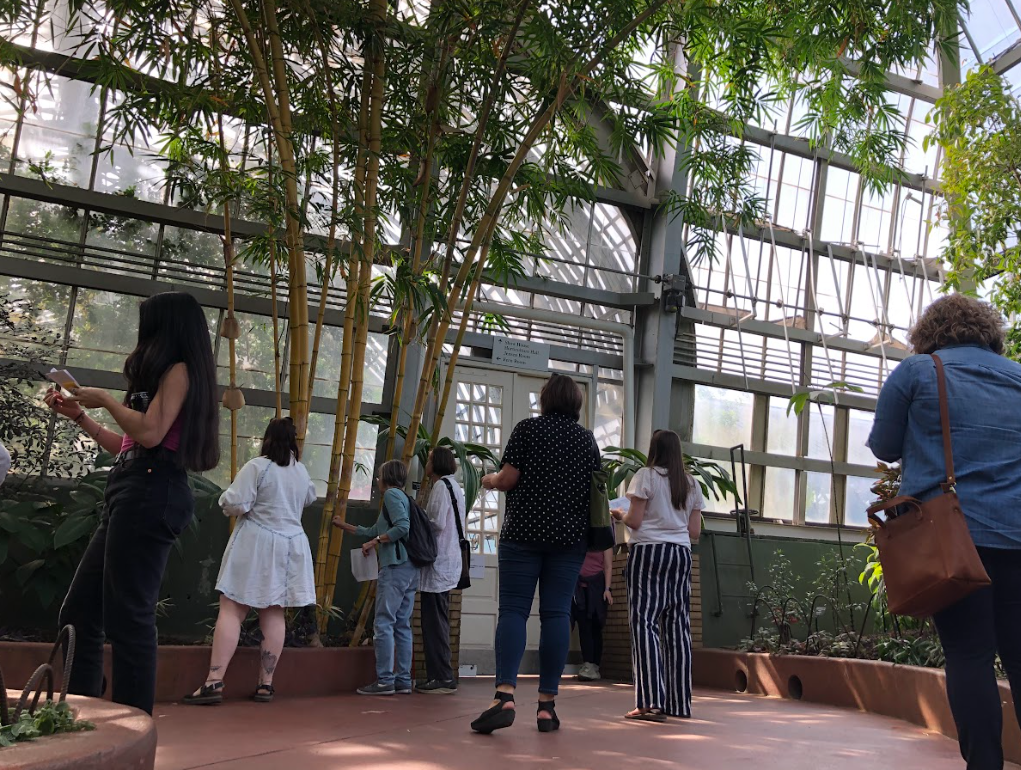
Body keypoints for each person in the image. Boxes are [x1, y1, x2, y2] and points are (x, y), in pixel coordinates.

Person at [44, 291, 219, 715]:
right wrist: (82, 417)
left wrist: (104, 399)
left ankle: (131, 721)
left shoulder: (180, 371)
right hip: (133, 485)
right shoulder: (157, 380)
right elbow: (126, 445)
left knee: (129, 617)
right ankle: (81, 707)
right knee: (81, 610)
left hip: (152, 491)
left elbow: (151, 434)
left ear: (166, 328)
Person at [868, 294, 1021, 770]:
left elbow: (886, 446)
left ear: (928, 331)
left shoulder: (917, 373)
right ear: (989, 331)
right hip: (1019, 536)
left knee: (969, 655)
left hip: (951, 541)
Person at [470, 373, 601, 734]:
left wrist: (490, 480)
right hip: (568, 539)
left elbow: (509, 479)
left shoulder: (527, 429)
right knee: (556, 614)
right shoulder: (586, 440)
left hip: (523, 534)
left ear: (545, 400)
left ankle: (505, 695)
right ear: (575, 403)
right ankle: (546, 706)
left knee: (513, 610)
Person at [183, 417, 317, 705]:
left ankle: (214, 682)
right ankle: (266, 685)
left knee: (232, 609)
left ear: (267, 439)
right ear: (295, 442)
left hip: (256, 542)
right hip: (291, 546)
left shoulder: (258, 467)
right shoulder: (302, 472)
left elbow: (233, 503)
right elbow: (309, 498)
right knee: (274, 612)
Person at [612, 429, 702, 723]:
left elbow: (635, 520)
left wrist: (619, 515)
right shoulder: (690, 483)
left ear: (654, 449)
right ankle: (679, 703)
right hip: (680, 555)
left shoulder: (645, 476)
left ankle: (650, 702)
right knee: (678, 626)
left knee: (644, 622)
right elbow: (694, 532)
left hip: (648, 553)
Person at [333, 459, 418, 696]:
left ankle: (384, 680)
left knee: (383, 622)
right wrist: (345, 526)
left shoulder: (391, 496)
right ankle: (402, 680)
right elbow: (374, 530)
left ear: (387, 478)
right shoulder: (403, 497)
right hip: (410, 569)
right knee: (401, 624)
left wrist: (376, 542)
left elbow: (402, 527)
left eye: (380, 476)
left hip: (395, 567)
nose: (378, 480)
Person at [416, 446, 467, 695]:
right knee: (439, 620)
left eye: (429, 460)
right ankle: (441, 675)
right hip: (450, 560)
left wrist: (417, 517)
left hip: (439, 562)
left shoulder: (440, 486)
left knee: (434, 622)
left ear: (437, 463)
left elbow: (436, 522)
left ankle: (441, 677)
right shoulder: (454, 487)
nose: (426, 463)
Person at [572, 547, 613, 682]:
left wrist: (607, 589)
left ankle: (595, 666)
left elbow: (608, 565)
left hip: (598, 587)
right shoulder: (580, 535)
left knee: (596, 626)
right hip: (579, 587)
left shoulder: (603, 538)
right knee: (584, 626)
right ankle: (587, 664)